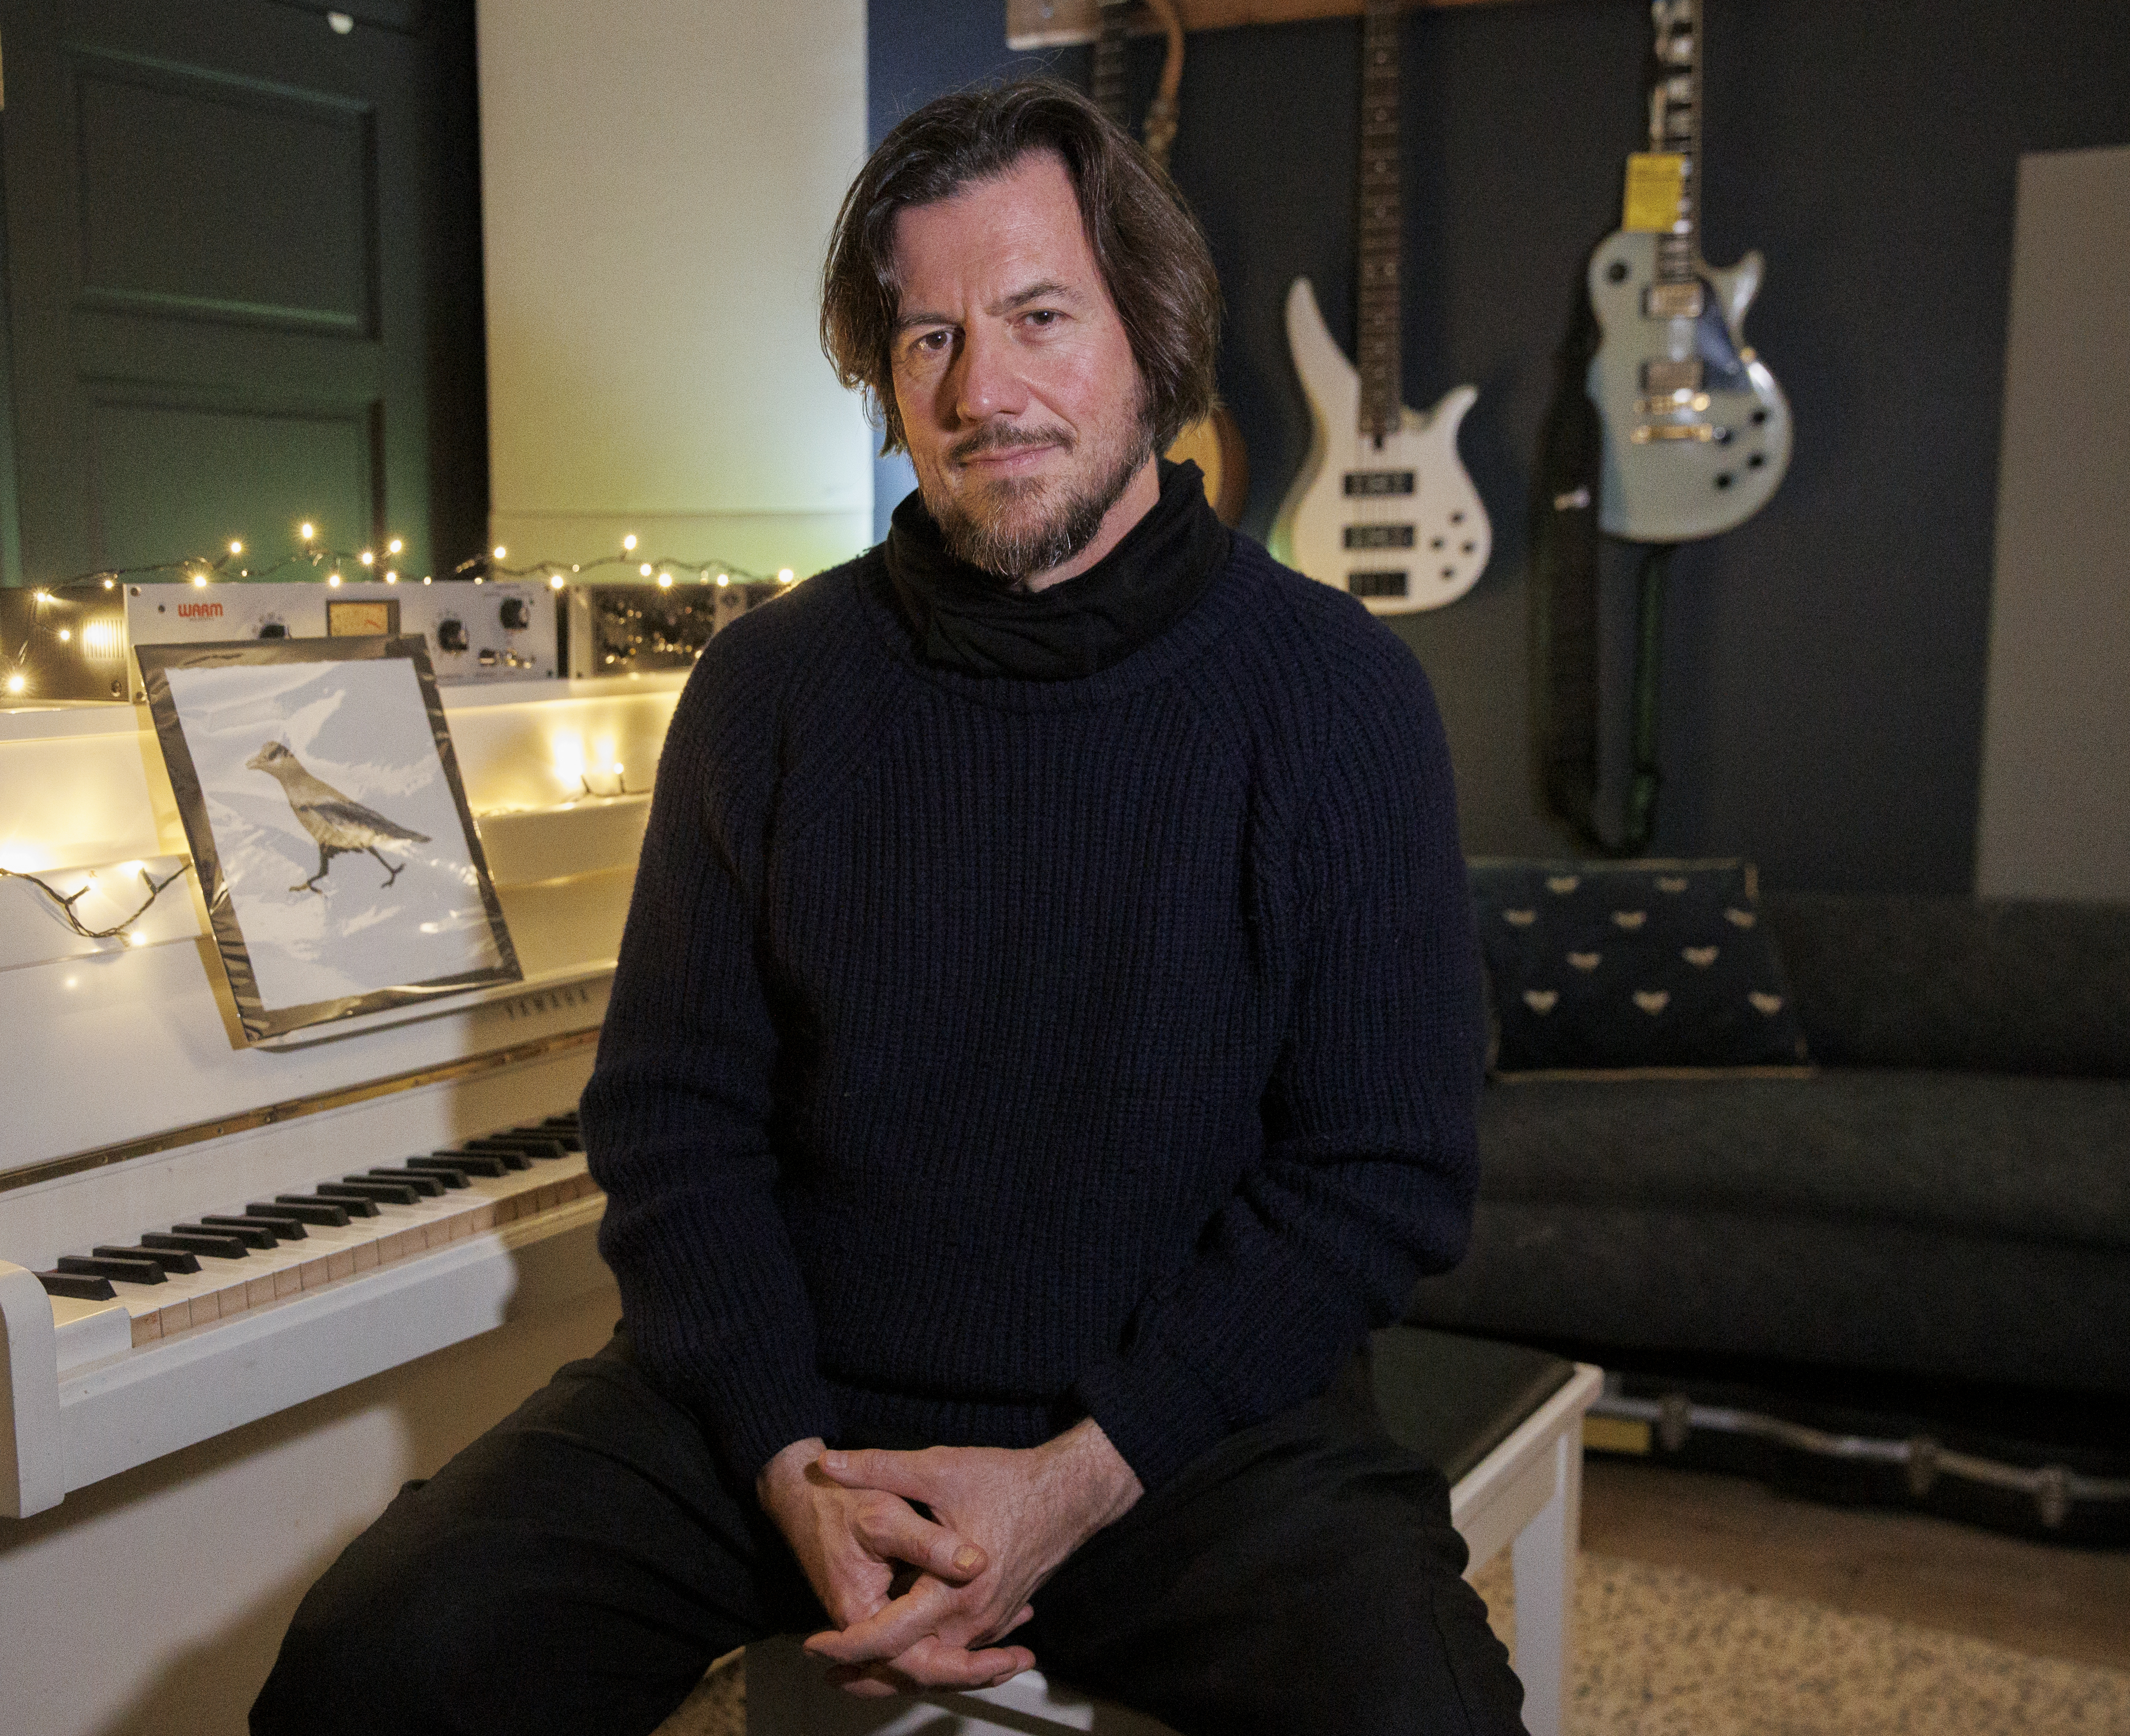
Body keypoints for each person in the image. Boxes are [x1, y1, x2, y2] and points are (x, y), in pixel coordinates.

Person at [251, 79, 1520, 1736]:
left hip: (1184, 1440)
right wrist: (788, 1467)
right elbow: (673, 1124)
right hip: (791, 1427)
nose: (981, 391)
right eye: (926, 340)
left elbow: (1381, 1171)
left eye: (1038, 317)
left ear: (1152, 331)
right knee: (383, 1658)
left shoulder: (1338, 695)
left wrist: (1075, 1481)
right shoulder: (772, 685)